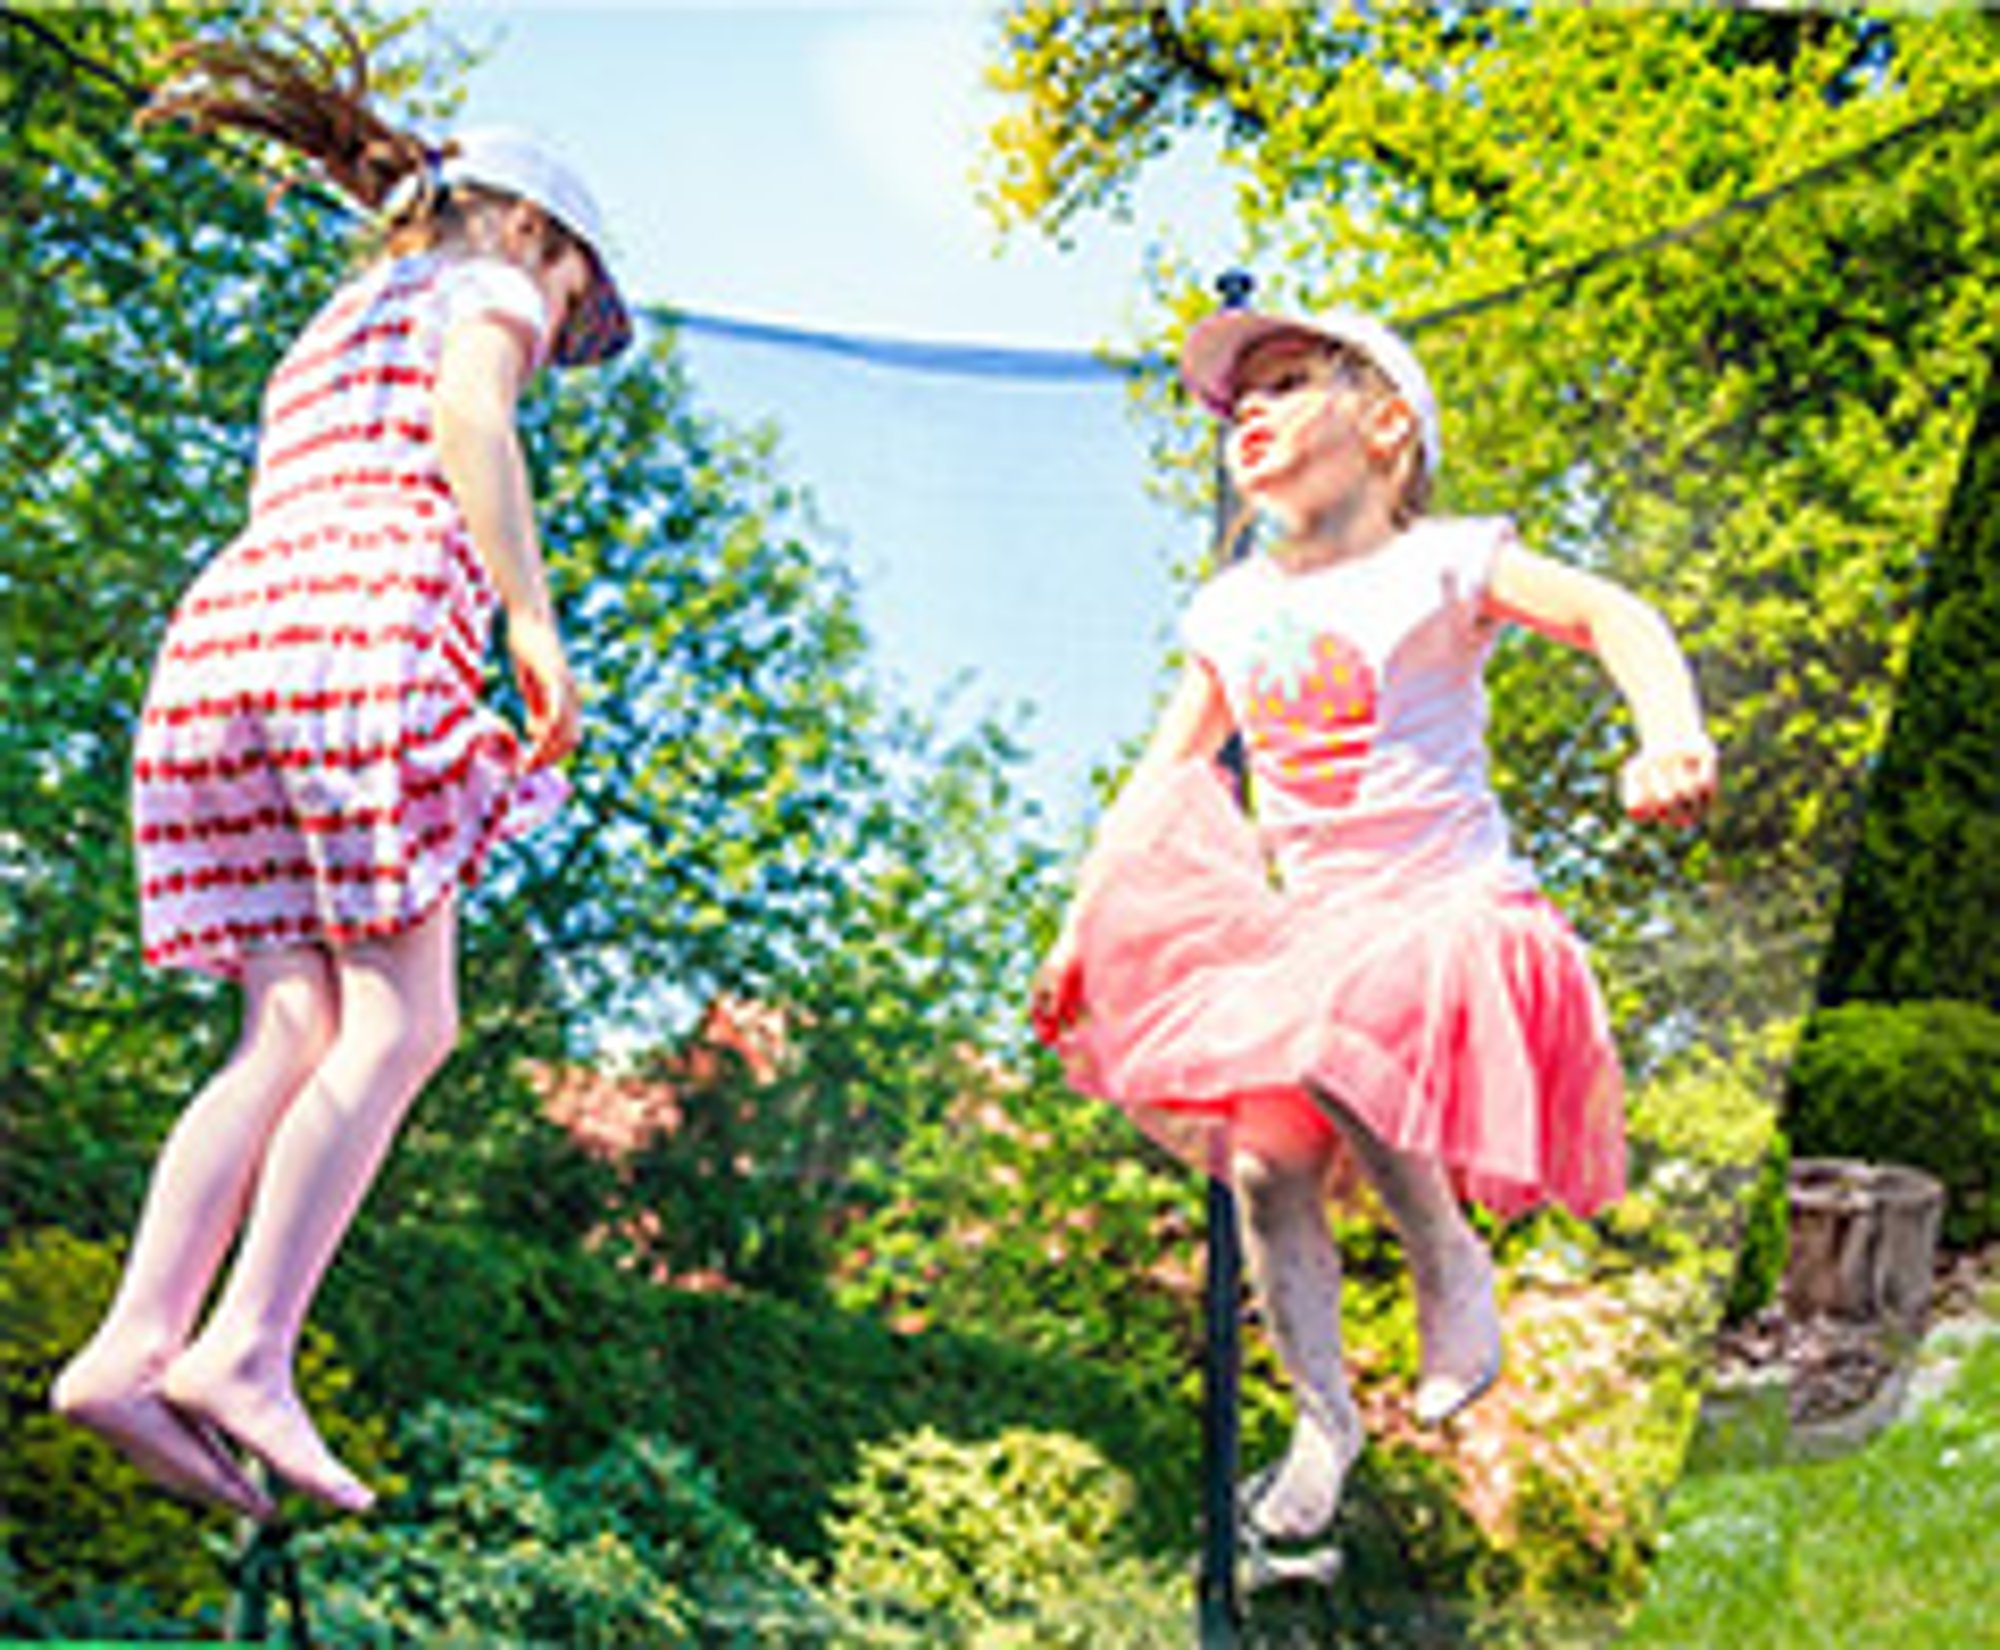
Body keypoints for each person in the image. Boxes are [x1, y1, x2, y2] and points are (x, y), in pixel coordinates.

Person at [51, 31, 632, 1520]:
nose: (551, 335)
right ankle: (245, 1344)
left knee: (286, 1023)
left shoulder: (330, 318)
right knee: (402, 1014)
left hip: (228, 644)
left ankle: (131, 1340)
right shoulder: (482, 284)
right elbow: (470, 417)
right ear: (526, 232)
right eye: (569, 304)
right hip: (361, 627)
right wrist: (527, 614)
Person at [1032, 307, 1717, 1549]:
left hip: (1450, 913)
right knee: (1261, 1169)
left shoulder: (1448, 560)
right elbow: (1158, 778)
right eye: (1238, 396)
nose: (1250, 406)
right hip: (1317, 933)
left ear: (1385, 423)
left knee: (1333, 1037)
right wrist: (1081, 927)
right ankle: (1324, 1417)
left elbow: (1612, 616)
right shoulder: (1233, 610)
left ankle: (1445, 1255)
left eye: (1289, 383)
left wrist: (1668, 731)